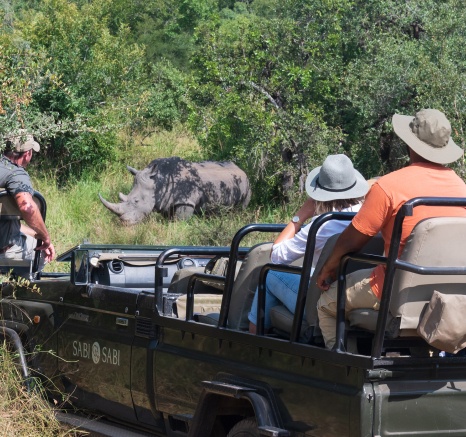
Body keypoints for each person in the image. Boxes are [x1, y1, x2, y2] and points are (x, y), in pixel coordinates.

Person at [316, 109, 466, 349]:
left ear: (411, 145)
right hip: (446, 296)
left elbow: (351, 241)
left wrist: (328, 268)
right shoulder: (462, 188)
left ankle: (345, 371)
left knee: (326, 304)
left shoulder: (389, 186)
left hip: (392, 292)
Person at [248, 154, 369, 333]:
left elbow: (277, 256)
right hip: (359, 295)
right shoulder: (369, 217)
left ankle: (251, 342)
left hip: (325, 298)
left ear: (320, 193)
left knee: (269, 273)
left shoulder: (322, 225)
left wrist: (300, 216)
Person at [0, 130, 56, 266]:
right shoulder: (16, 175)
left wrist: (37, 235)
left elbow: (7, 219)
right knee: (42, 255)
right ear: (27, 154)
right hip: (4, 251)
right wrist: (46, 238)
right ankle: (21, 287)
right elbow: (27, 207)